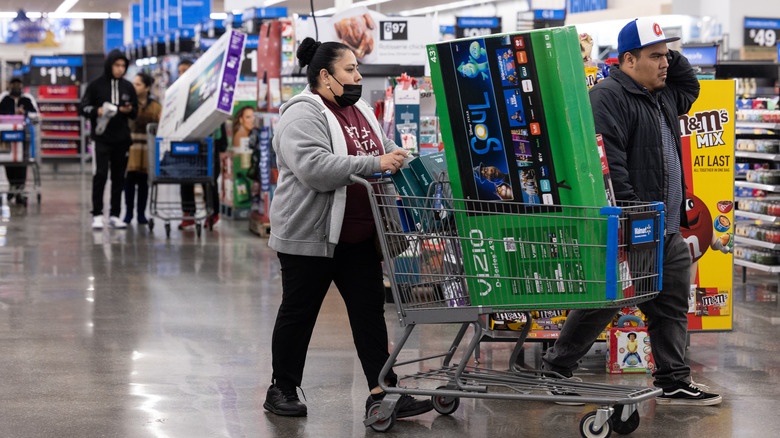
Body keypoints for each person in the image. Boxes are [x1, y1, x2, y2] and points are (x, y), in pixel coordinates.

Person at [541, 18, 721, 406]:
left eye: (666, 55)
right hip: (635, 224)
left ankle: (673, 378)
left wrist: (663, 46)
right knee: (605, 302)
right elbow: (612, 165)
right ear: (627, 60)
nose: (666, 63)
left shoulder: (664, 94)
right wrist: (632, 216)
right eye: (655, 56)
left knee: (671, 306)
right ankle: (556, 369)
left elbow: (691, 85)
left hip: (668, 226)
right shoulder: (609, 96)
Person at [263, 37, 431, 419]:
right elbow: (315, 169)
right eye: (350, 69)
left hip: (359, 236)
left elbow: (383, 147)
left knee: (369, 314)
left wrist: (403, 158)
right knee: (299, 312)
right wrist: (376, 163)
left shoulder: (363, 111)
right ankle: (282, 389)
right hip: (311, 235)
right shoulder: (302, 114)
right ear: (325, 75)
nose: (358, 75)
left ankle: (382, 390)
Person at [79, 49, 138, 229]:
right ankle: (97, 213)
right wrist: (97, 111)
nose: (120, 69)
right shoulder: (95, 85)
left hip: (122, 139)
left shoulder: (128, 87)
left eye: (123, 66)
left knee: (119, 177)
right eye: (117, 65)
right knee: (100, 175)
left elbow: (135, 112)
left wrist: (128, 110)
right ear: (109, 65)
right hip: (101, 139)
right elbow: (83, 108)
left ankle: (114, 214)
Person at [176, 58, 223, 230]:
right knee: (185, 177)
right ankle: (188, 214)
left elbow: (218, 119)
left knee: (209, 180)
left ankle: (212, 213)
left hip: (208, 142)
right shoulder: (177, 92)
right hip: (186, 142)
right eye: (180, 70)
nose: (182, 74)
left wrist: (220, 145)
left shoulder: (207, 89)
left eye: (186, 70)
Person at [124, 72, 162, 224]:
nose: (134, 87)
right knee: (129, 182)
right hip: (131, 149)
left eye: (138, 84)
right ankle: (128, 213)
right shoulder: (128, 106)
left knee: (143, 183)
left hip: (147, 150)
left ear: (147, 87)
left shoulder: (156, 107)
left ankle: (141, 213)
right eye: (134, 83)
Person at [0, 77, 38, 205]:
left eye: (18, 84)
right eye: (13, 84)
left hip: (23, 138)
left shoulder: (27, 99)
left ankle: (20, 189)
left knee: (22, 163)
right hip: (7, 138)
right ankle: (13, 186)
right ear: (10, 85)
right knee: (8, 162)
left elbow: (36, 115)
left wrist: (25, 113)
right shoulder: (4, 99)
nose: (16, 86)